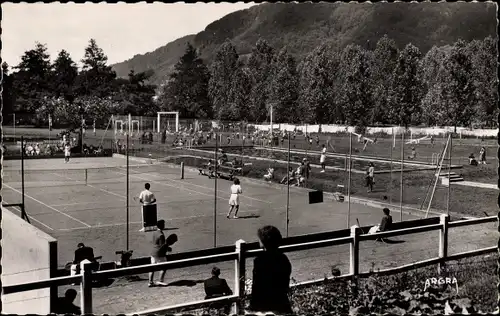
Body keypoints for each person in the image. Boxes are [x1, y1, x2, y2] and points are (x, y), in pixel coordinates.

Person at [248, 226, 292, 314]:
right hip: (281, 302)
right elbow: (285, 284)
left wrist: (253, 306)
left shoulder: (259, 260)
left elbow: (257, 286)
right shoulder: (283, 259)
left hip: (265, 304)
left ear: (263, 242)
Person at [149, 220, 173, 287]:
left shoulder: (154, 232)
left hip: (153, 252)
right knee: (164, 267)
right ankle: (160, 281)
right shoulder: (161, 235)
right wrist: (168, 248)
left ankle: (150, 282)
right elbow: (162, 246)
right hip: (159, 254)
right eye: (163, 224)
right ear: (162, 225)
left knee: (151, 267)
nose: (164, 225)